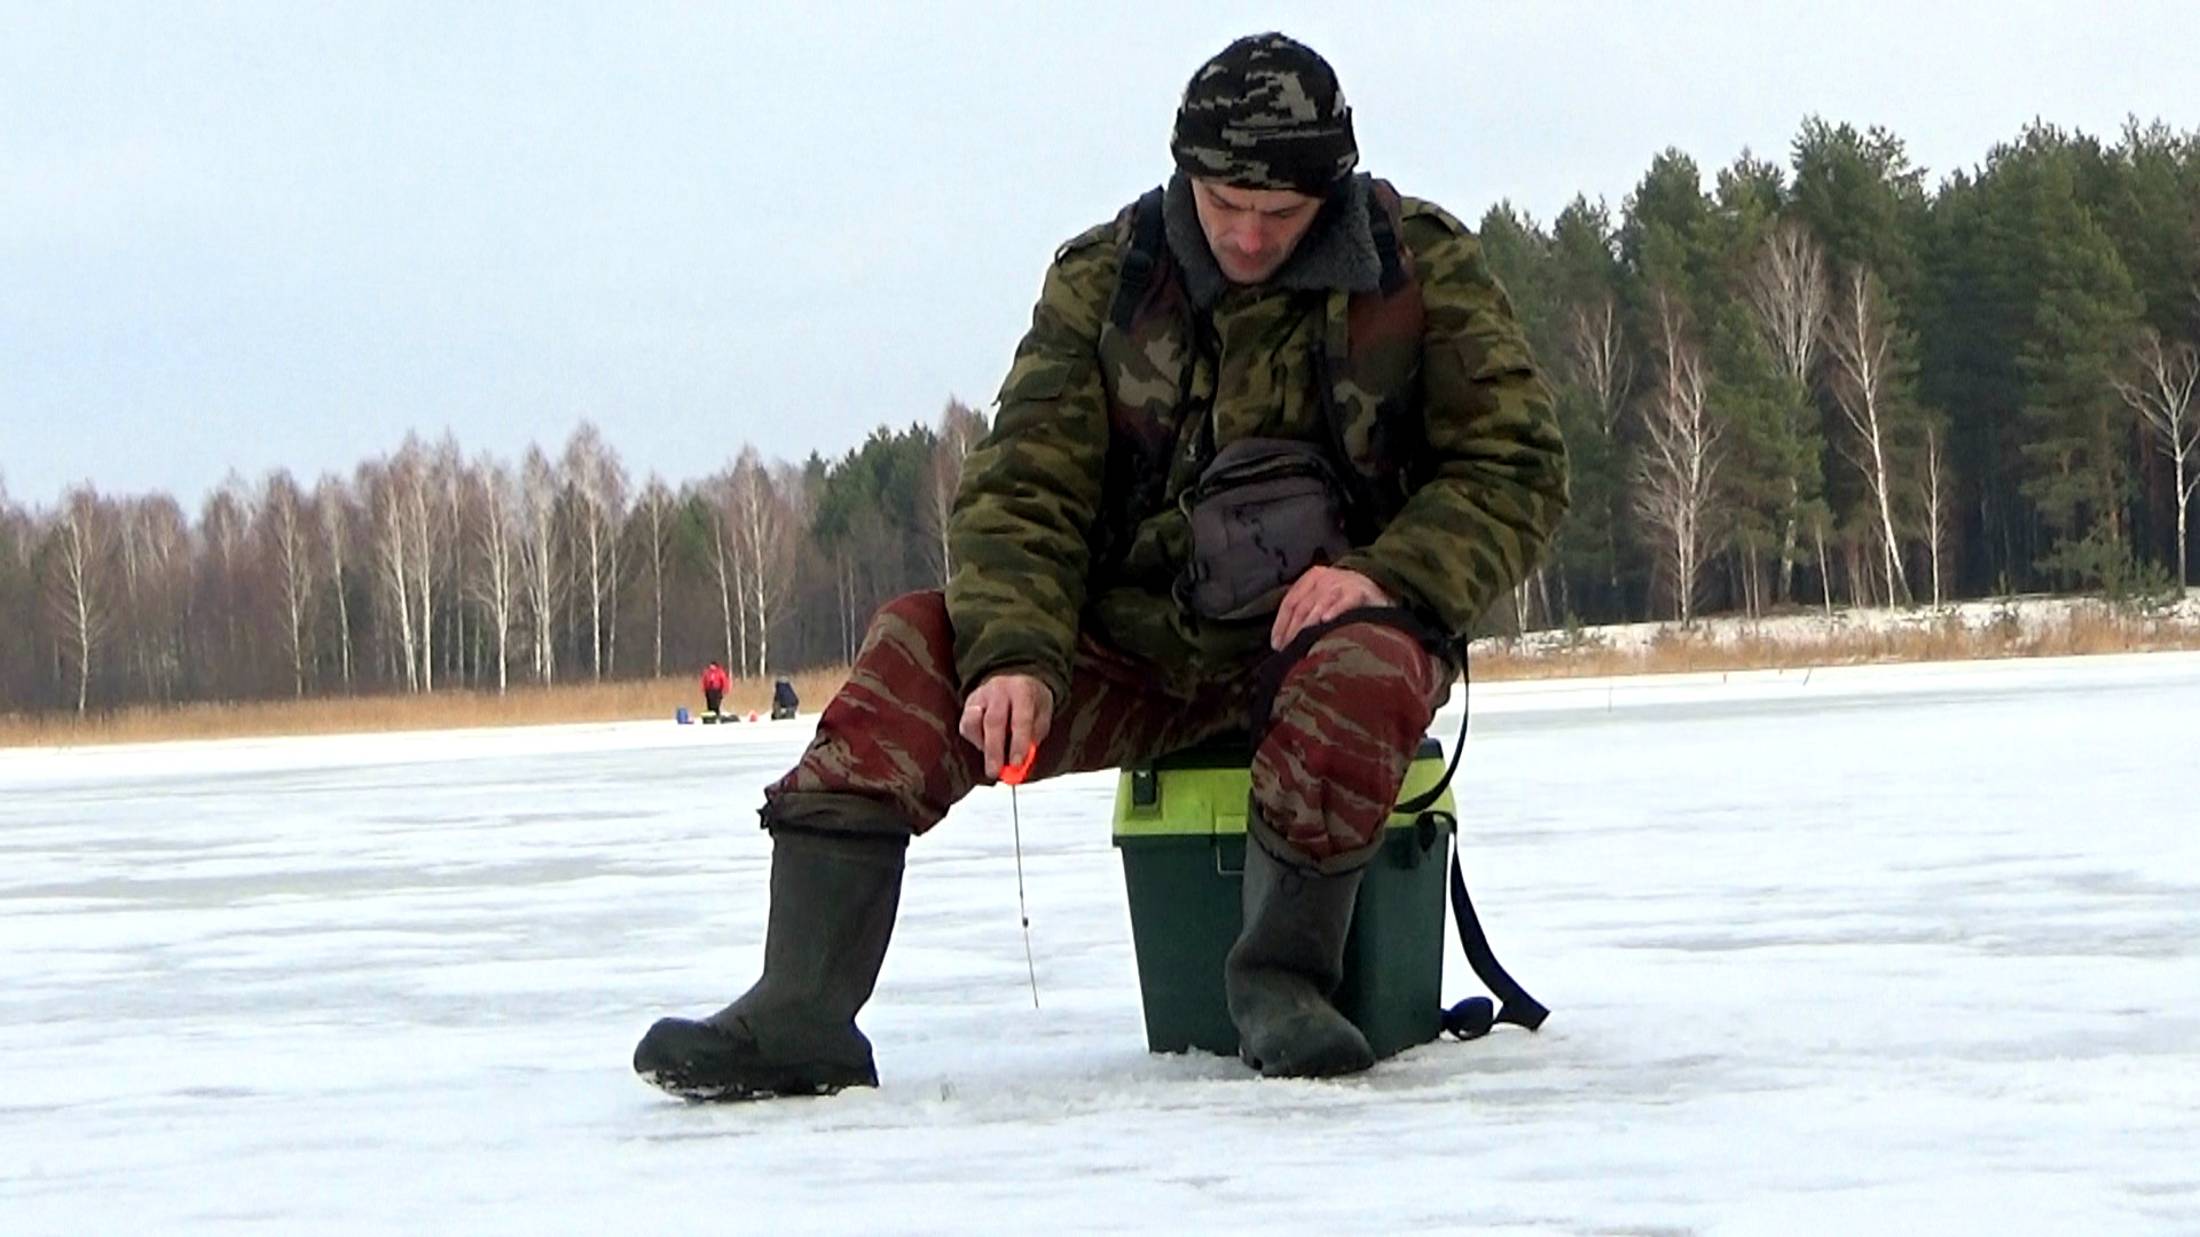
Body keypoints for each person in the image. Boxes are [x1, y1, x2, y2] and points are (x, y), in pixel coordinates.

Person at [635, 32, 1568, 1100]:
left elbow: (1517, 465)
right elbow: (1025, 487)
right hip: (1134, 650)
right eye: (1225, 206)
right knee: (916, 646)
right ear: (1186, 175)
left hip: (1327, 645)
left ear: (1334, 188)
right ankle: (798, 1009)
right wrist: (1017, 655)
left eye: (1280, 214)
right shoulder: (1105, 280)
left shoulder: (1421, 269)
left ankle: (1285, 989)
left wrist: (1388, 577)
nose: (1250, 235)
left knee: (1361, 670)